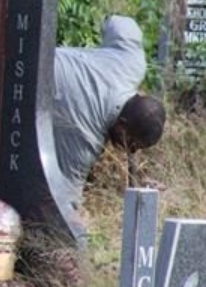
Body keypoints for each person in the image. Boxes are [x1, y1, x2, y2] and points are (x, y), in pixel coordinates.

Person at [52, 14, 166, 210]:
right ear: (122, 125)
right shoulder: (86, 138)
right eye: (131, 144)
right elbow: (64, 201)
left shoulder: (133, 63)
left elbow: (119, 22)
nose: (130, 150)